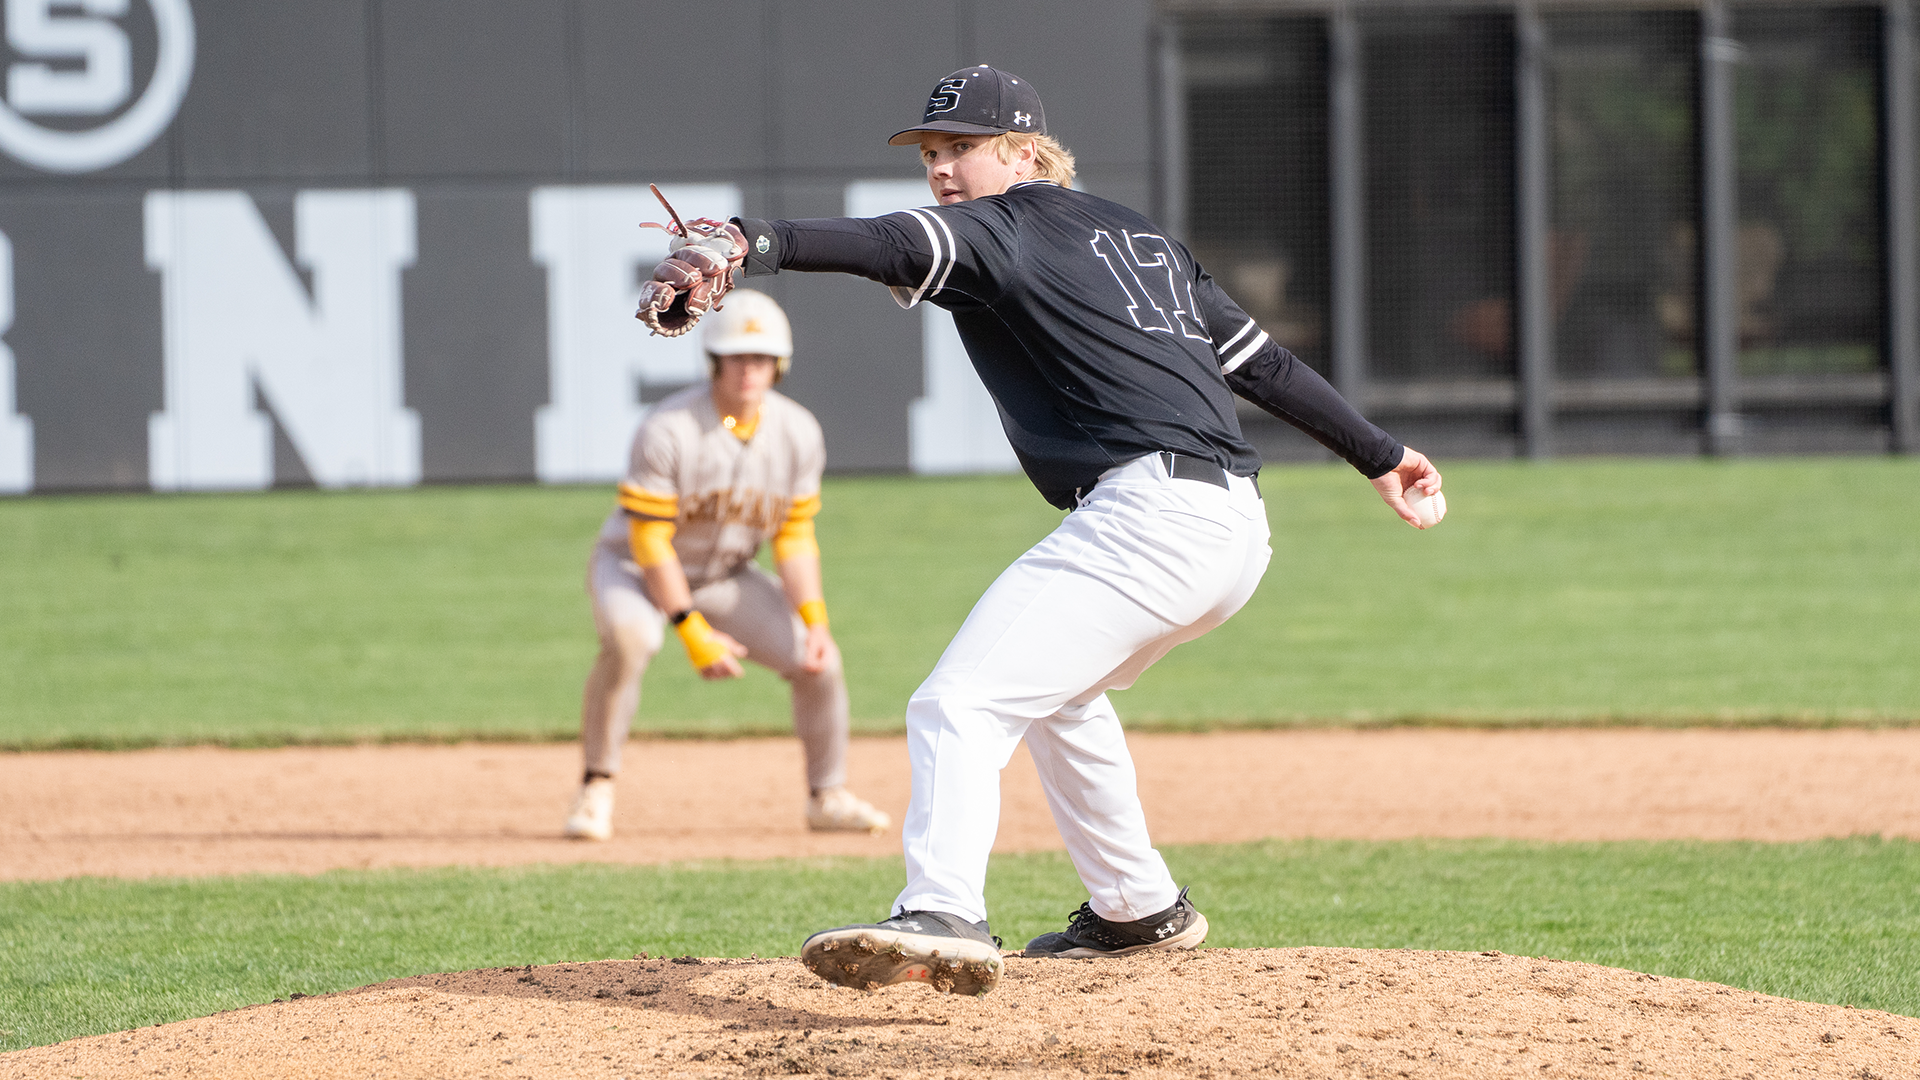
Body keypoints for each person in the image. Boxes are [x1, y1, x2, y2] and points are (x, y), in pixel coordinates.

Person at [662, 66, 1441, 997]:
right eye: (933, 154)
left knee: (957, 705)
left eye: (963, 148)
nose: (943, 170)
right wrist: (1381, 454)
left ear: (1026, 153)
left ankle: (943, 907)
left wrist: (755, 242)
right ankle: (1137, 907)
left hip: (1150, 518)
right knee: (1058, 697)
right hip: (1231, 529)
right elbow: (1258, 364)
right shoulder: (1141, 238)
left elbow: (878, 244)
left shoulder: (1000, 224)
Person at [562, 289, 891, 842]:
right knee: (632, 642)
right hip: (634, 571)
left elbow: (793, 534)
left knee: (821, 662)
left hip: (723, 577)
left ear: (778, 365)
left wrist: (814, 620)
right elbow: (649, 540)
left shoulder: (797, 432)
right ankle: (596, 787)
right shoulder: (669, 428)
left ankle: (826, 796)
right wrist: (692, 631)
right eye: (737, 357)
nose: (749, 370)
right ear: (714, 361)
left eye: (760, 359)